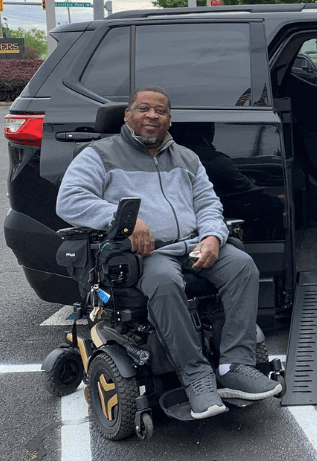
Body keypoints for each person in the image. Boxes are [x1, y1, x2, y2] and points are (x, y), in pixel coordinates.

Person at [56, 86, 281, 419]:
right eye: (144, 109)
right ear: (127, 115)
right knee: (163, 282)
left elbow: (208, 204)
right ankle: (196, 376)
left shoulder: (187, 158)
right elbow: (70, 201)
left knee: (242, 265)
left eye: (160, 111)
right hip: (147, 253)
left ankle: (235, 365)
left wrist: (213, 238)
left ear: (169, 120)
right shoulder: (99, 154)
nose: (152, 116)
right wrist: (126, 222)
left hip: (192, 244)